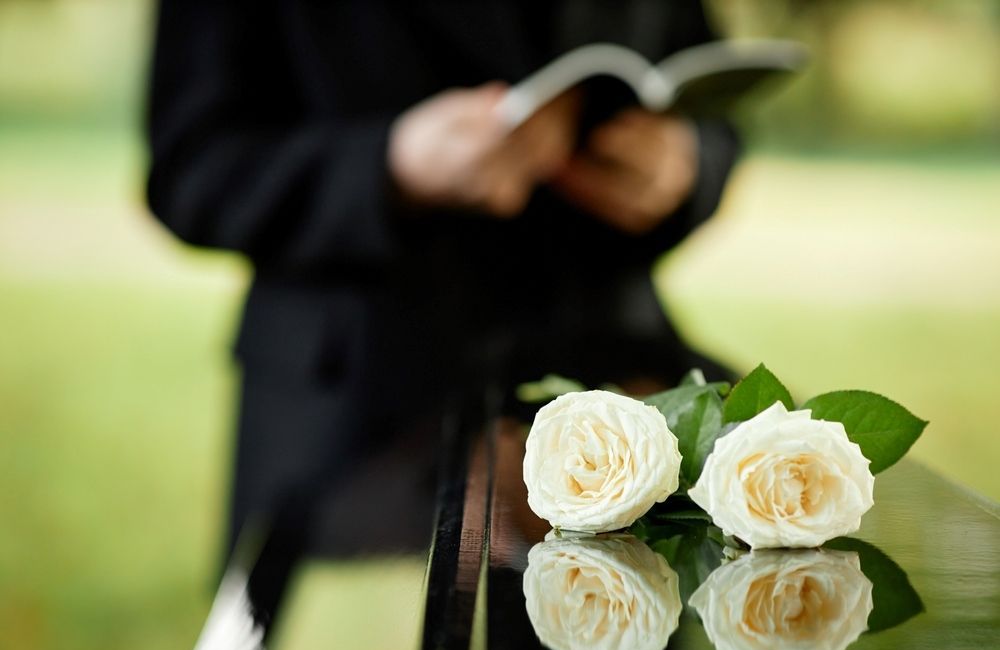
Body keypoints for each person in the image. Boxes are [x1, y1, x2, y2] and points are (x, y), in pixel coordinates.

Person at [146, 1, 741, 555]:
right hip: (353, 414)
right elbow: (191, 164)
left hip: (617, 386)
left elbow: (711, 101)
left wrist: (685, 167)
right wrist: (389, 165)